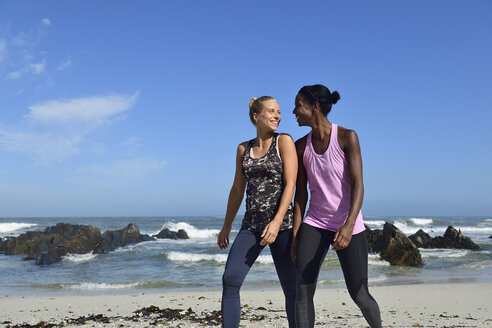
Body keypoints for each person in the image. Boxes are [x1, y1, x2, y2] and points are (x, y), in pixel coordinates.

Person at [291, 84, 382, 328]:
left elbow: (358, 184)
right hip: (315, 222)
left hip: (348, 222)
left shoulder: (347, 137)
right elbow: (300, 196)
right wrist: (296, 234)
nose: (294, 111)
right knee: (302, 288)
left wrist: (349, 225)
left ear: (315, 107)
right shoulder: (301, 147)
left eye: (298, 106)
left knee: (359, 294)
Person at [217, 96, 298, 328]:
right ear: (257, 117)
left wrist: (277, 221)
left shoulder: (284, 141)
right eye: (271, 111)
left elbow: (290, 184)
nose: (277, 116)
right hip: (251, 226)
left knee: (291, 288)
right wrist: (226, 226)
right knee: (230, 280)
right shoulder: (243, 148)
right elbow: (236, 190)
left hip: (282, 226)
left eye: (278, 112)